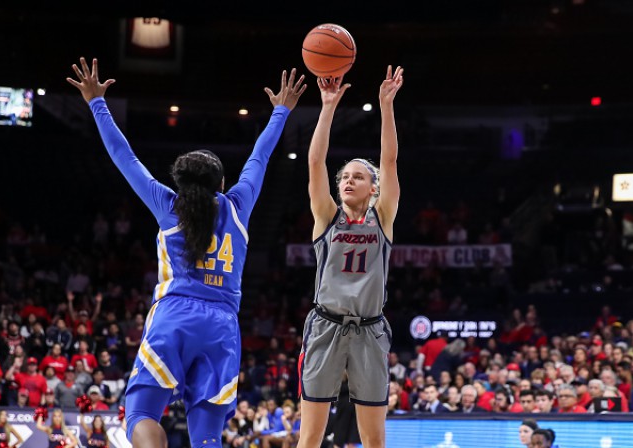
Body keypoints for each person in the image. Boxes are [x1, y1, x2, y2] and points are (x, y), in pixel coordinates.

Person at [66, 56, 306, 448]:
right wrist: (281, 110)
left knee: (141, 416)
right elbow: (259, 157)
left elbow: (124, 156)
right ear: (221, 181)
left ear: (180, 181)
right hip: (223, 325)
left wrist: (97, 102)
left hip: (175, 315)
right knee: (207, 437)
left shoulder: (168, 206)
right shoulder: (238, 204)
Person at [296, 65, 404, 448]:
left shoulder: (383, 216)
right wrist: (327, 107)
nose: (347, 181)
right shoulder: (327, 216)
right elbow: (314, 164)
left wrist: (385, 106)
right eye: (344, 177)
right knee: (309, 436)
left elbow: (389, 161)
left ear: (374, 189)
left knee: (374, 438)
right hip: (325, 326)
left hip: (370, 330)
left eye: (357, 177)